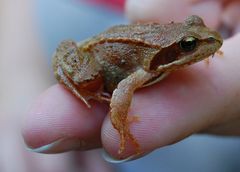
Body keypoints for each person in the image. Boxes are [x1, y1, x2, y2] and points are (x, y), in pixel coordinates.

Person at [22, 0, 240, 164]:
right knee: (87, 79)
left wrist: (200, 50)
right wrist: (121, 124)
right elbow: (123, 89)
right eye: (190, 45)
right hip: (94, 54)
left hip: (103, 26)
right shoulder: (144, 72)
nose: (204, 42)